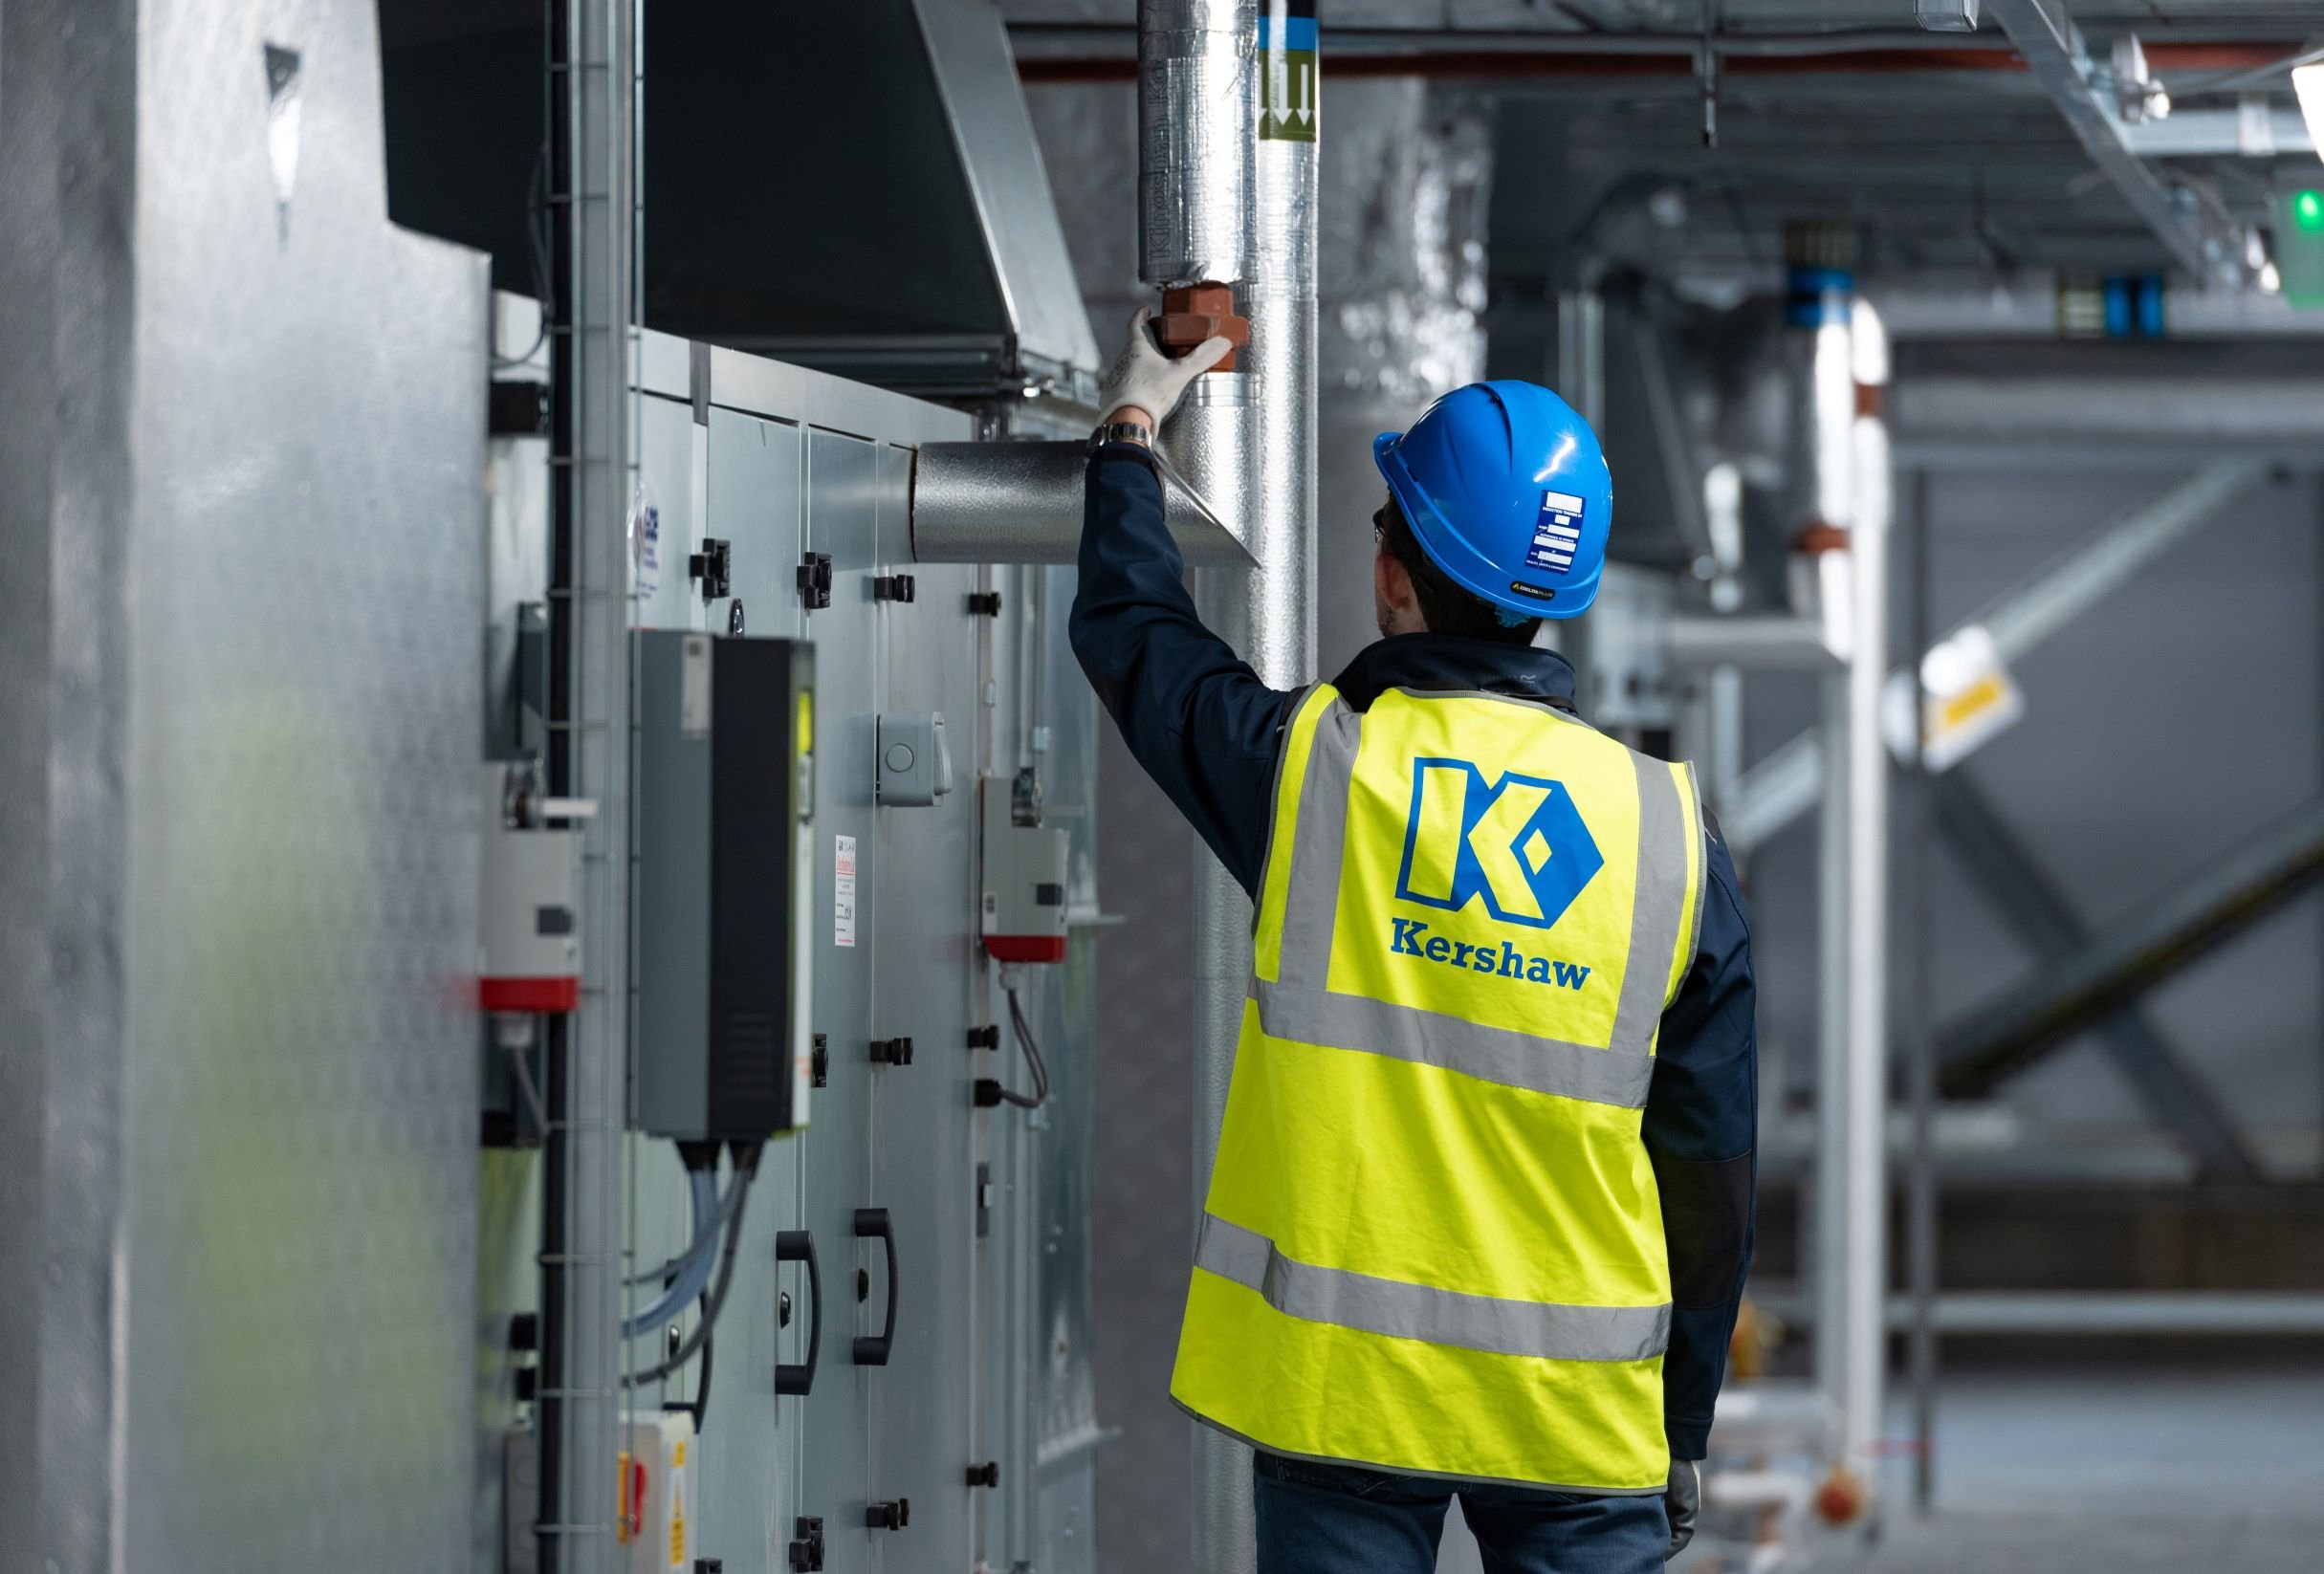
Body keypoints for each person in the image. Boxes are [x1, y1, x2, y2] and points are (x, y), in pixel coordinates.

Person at [1070, 311, 1757, 1574]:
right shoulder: (1668, 834)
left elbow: (1139, 639)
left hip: (1349, 1387)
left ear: (1395, 571)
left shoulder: (1318, 780)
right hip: (1575, 1408)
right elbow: (1706, 1170)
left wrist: (1127, 437)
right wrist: (1682, 1422)